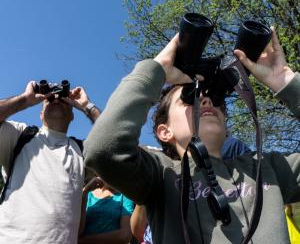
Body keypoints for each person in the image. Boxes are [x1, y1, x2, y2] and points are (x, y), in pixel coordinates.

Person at [83, 27, 300, 243]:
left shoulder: (267, 168)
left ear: (227, 126)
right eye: (190, 98)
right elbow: (103, 150)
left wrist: (285, 82)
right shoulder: (160, 175)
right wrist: (155, 70)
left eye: (215, 99)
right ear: (164, 131)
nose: (206, 101)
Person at [0, 83, 100, 243]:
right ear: (41, 114)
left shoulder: (81, 151)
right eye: (50, 97)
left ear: (73, 115)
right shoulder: (20, 135)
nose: (56, 99)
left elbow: (116, 142)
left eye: (63, 97)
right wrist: (25, 99)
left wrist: (87, 106)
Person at [78, 176, 134, 244]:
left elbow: (125, 235)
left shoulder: (124, 196)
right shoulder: (87, 193)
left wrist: (84, 240)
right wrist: (85, 192)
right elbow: (78, 231)